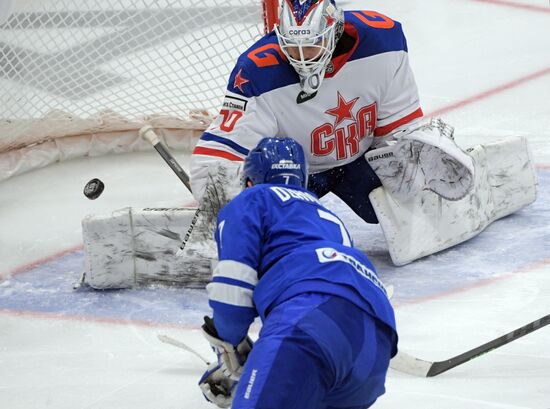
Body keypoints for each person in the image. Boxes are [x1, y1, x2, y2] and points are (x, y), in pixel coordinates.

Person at [190, 0, 474, 227]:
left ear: (334, 31)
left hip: (359, 159)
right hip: (297, 174)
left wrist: (415, 160)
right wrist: (220, 208)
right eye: (291, 45)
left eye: (311, 44)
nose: (301, 56)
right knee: (278, 220)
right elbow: (219, 156)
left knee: (404, 197)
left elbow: (398, 127)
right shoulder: (256, 71)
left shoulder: (382, 40)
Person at [198, 137, 397, 408]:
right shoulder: (329, 218)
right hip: (376, 340)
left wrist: (229, 348)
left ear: (249, 181)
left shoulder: (253, 199)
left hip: (309, 321)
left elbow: (232, 289)